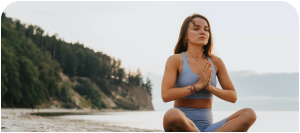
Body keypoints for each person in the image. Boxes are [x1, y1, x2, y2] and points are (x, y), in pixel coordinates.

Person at [161, 13, 257, 132]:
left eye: (206, 30)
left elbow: (233, 96)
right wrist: (197, 86)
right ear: (185, 35)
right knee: (172, 115)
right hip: (183, 125)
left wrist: (210, 88)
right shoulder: (175, 60)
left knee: (249, 114)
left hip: (209, 129)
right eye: (196, 29)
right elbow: (165, 95)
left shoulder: (216, 62)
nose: (203, 32)